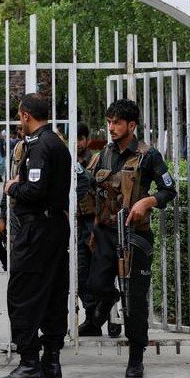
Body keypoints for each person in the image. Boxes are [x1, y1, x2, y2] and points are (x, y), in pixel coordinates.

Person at [86, 99, 176, 378]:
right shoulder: (103, 154)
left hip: (136, 236)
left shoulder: (148, 155)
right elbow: (89, 187)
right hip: (105, 234)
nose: (111, 128)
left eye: (117, 123)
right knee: (95, 286)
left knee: (135, 299)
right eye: (109, 122)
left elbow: (169, 191)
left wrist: (147, 201)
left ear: (132, 125)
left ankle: (136, 357)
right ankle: (109, 299)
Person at [0, 93, 71, 378]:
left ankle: (29, 363)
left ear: (26, 115)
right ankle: (51, 360)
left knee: (21, 295)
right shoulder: (57, 143)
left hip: (37, 228)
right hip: (53, 226)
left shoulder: (39, 146)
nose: (18, 121)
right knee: (53, 292)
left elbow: (35, 191)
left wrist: (13, 187)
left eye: (19, 116)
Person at [76, 123, 122, 339]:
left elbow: (100, 189)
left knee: (104, 273)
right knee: (83, 275)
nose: (76, 144)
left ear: (86, 140)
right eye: (73, 139)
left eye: (80, 139)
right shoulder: (69, 159)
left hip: (95, 223)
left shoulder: (97, 160)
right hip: (78, 224)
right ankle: (91, 319)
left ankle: (114, 320)